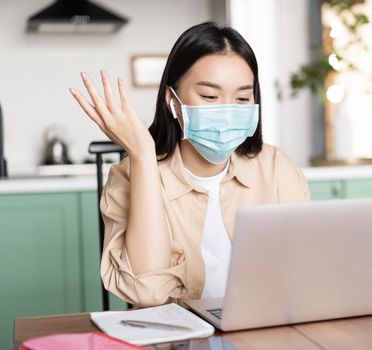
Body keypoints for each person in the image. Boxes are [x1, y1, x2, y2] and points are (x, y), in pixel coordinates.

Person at [69, 22, 310, 307]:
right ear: (172, 100)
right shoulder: (128, 177)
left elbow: (306, 274)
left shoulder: (276, 168)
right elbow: (148, 295)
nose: (227, 111)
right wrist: (143, 154)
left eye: (243, 98)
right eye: (210, 96)